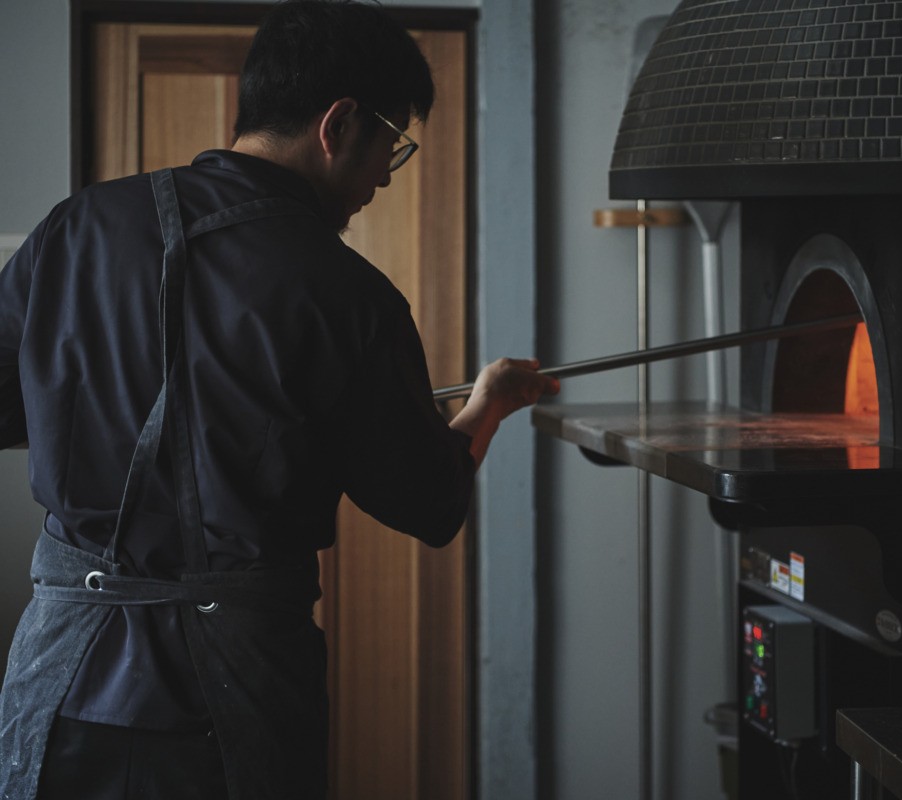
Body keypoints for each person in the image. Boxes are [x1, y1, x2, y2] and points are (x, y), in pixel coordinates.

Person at [0, 1, 557, 797]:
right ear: (338, 124)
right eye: (389, 148)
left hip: (64, 684)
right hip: (231, 701)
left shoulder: (77, 227)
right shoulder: (348, 294)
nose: (379, 182)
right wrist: (491, 403)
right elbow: (429, 502)